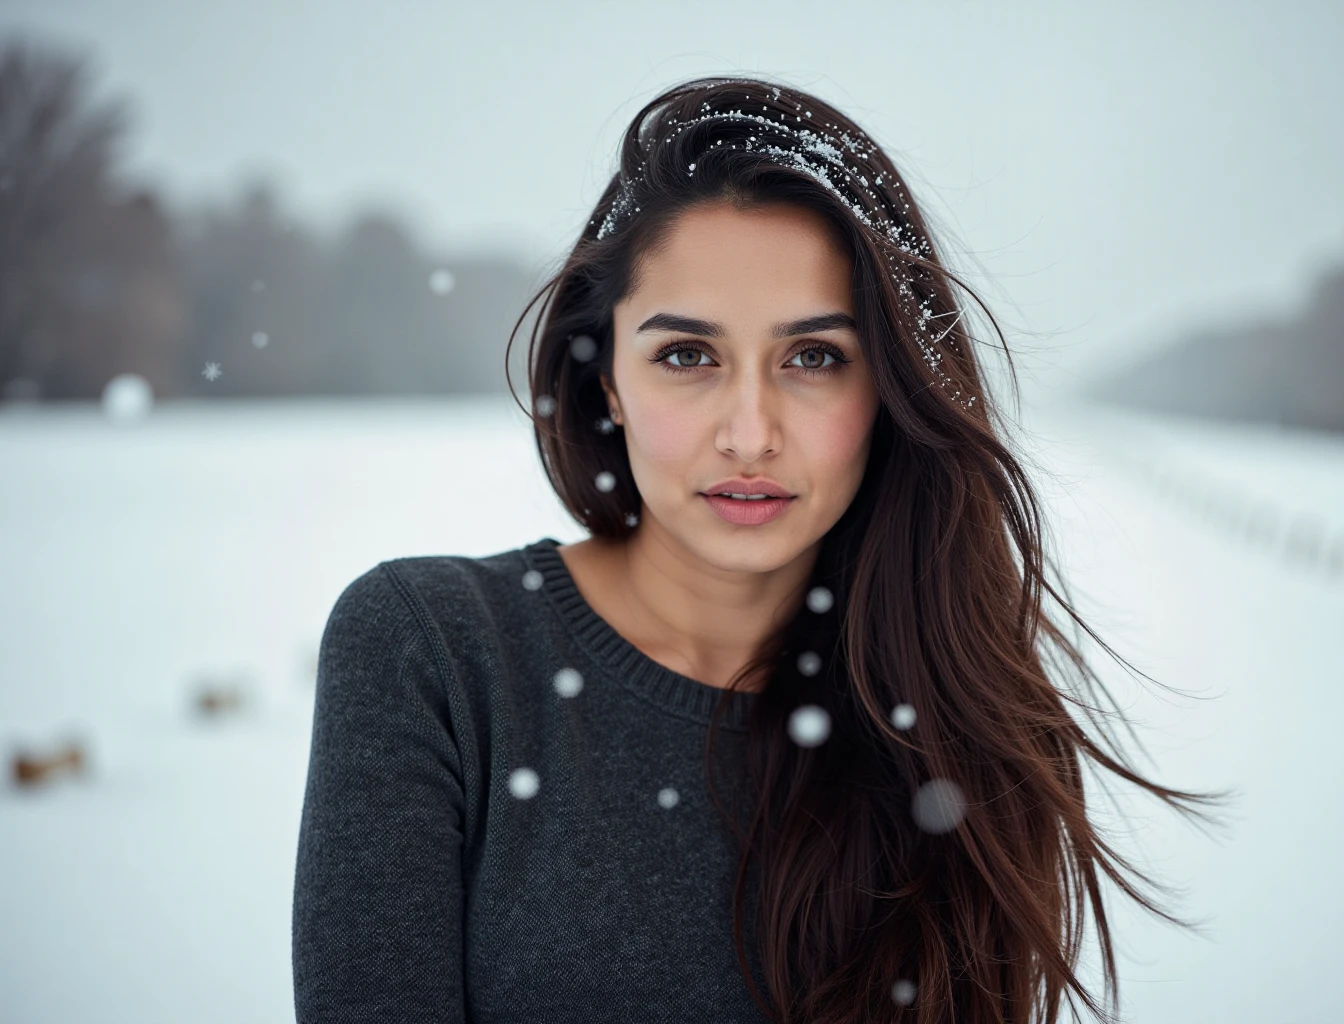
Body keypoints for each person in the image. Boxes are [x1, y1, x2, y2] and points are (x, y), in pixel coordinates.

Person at [291, 74, 1232, 1023]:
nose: (750, 433)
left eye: (814, 357)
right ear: (607, 378)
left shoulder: (959, 726)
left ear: (889, 389)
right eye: (687, 356)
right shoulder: (432, 655)